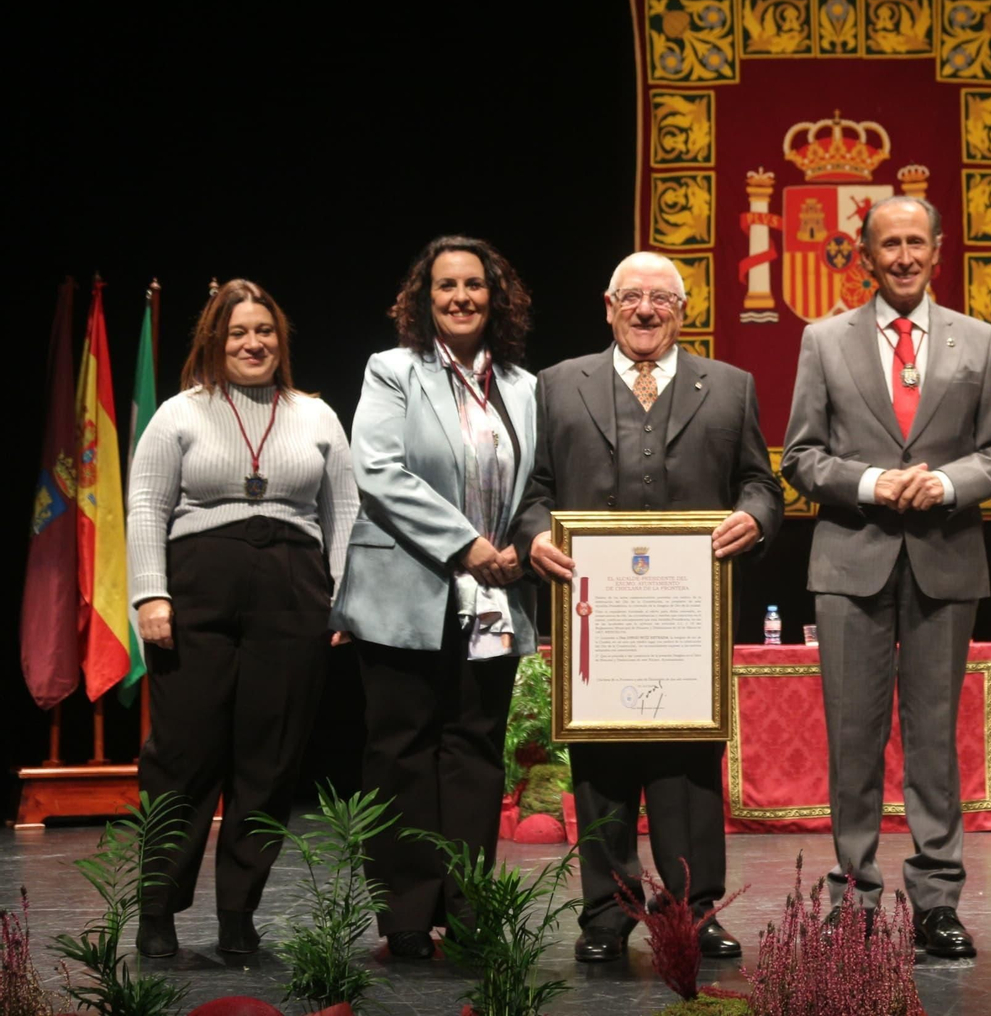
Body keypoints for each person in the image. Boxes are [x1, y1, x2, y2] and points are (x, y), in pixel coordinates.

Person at [513, 250, 783, 963]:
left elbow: (762, 483)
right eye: (631, 296)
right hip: (594, 613)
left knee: (689, 765)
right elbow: (533, 489)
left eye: (661, 298)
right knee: (601, 763)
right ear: (607, 306)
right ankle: (607, 911)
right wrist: (536, 534)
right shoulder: (557, 384)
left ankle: (694, 909)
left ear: (683, 309)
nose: (645, 309)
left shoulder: (728, 386)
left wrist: (755, 517)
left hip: (687, 617)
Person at [781, 196, 991, 960]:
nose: (906, 255)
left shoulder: (978, 341)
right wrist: (874, 482)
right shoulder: (824, 340)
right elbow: (802, 458)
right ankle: (852, 896)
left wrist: (945, 484)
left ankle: (937, 898)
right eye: (892, 244)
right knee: (853, 737)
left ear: (938, 250)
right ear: (866, 253)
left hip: (944, 561)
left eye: (918, 241)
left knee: (933, 740)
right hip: (852, 560)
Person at [127, 278, 357, 958]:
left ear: (280, 339)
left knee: (269, 760)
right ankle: (159, 908)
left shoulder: (316, 414)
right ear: (214, 340)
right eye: (238, 332)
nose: (253, 342)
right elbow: (145, 505)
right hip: (197, 587)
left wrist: (341, 599)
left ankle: (238, 913)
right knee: (184, 756)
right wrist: (149, 593)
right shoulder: (180, 413)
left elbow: (344, 513)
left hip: (293, 590)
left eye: (264, 331)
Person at [331, 235, 538, 960]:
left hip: (493, 596)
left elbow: (533, 483)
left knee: (475, 750)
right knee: (402, 750)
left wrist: (518, 540)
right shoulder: (393, 371)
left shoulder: (523, 385)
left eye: (474, 285)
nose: (461, 297)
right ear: (424, 298)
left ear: (495, 295)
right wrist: (467, 544)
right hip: (406, 589)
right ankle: (408, 915)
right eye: (446, 286)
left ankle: (470, 904)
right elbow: (379, 470)